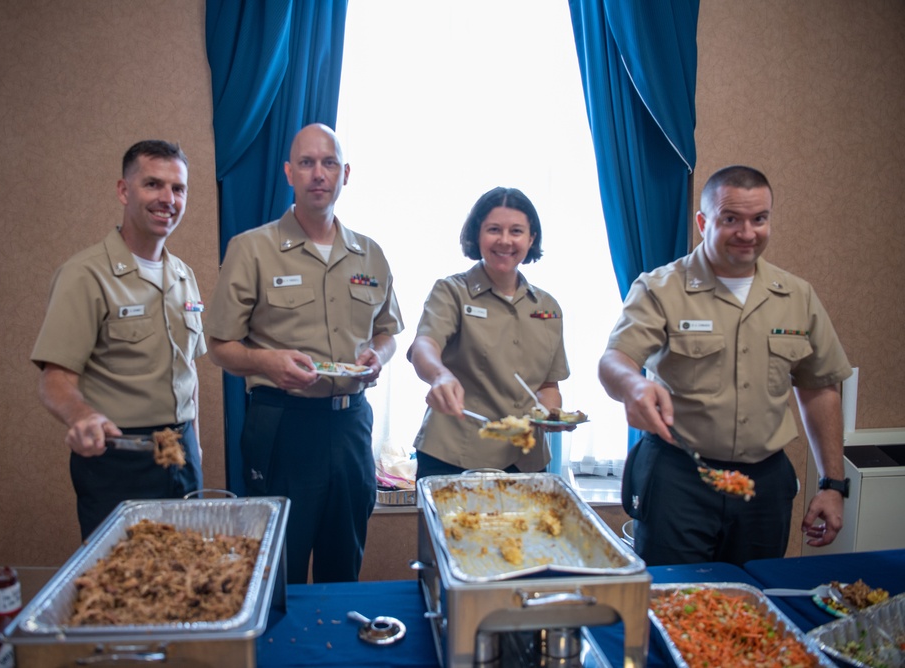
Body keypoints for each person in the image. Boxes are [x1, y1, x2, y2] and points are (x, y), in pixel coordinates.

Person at [598, 165, 852, 566]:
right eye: (731, 219)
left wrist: (832, 483)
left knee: (751, 601)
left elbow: (819, 388)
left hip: (763, 486)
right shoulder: (659, 288)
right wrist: (634, 385)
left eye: (759, 219)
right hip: (679, 479)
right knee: (673, 600)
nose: (747, 233)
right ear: (703, 222)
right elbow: (615, 361)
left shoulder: (797, 295)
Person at [204, 123, 404, 584]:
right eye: (308, 163)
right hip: (282, 425)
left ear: (345, 174)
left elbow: (389, 333)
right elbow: (219, 346)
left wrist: (378, 356)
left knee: (344, 564)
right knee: (280, 571)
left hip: (350, 424)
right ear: (288, 172)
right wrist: (265, 362)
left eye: (329, 163)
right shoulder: (252, 248)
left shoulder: (370, 254)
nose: (319, 173)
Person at [31, 140, 205, 541]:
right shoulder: (85, 275)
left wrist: (195, 445)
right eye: (153, 185)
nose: (168, 199)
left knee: (189, 577)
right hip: (120, 458)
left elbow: (188, 372)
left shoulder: (183, 275)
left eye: (178, 189)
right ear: (124, 191)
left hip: (182, 455)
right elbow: (55, 378)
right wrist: (81, 416)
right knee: (128, 587)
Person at [408, 187, 570, 479]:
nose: (505, 240)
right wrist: (439, 376)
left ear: (531, 238)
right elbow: (424, 346)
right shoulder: (451, 292)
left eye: (516, 231)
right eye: (494, 229)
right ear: (477, 235)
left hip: (526, 461)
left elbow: (548, 386)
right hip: (454, 456)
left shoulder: (548, 307)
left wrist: (550, 416)